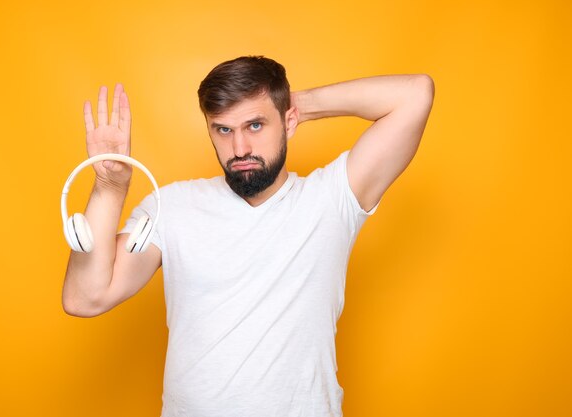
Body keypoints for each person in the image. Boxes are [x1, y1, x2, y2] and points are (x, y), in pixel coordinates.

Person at [62, 56, 434, 416]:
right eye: (224, 129)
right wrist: (110, 185)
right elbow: (85, 298)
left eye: (255, 125)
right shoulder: (172, 207)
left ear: (288, 122)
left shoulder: (332, 198)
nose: (239, 149)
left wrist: (295, 103)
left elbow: (415, 93)